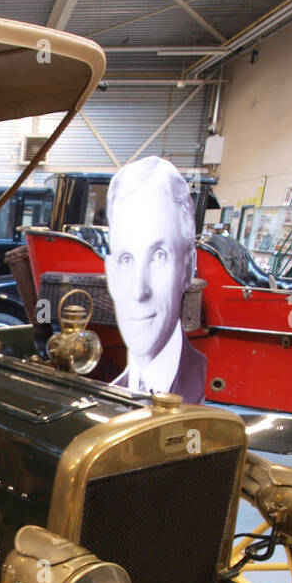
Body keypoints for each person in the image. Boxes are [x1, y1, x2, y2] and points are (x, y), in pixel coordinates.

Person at [104, 156, 207, 402]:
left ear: (188, 266)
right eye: (126, 259)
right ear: (111, 273)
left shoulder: (194, 390)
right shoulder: (114, 392)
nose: (139, 291)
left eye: (158, 256)